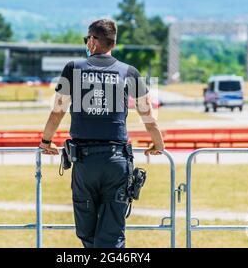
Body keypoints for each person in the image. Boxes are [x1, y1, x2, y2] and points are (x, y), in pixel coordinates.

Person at [39, 19, 164, 248]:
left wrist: (46, 141)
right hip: (117, 162)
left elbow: (57, 113)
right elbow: (149, 119)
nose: (87, 42)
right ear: (113, 44)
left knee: (87, 232)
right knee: (112, 233)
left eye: (88, 38)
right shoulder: (129, 71)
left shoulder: (73, 68)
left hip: (85, 163)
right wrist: (158, 145)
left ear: (94, 41)